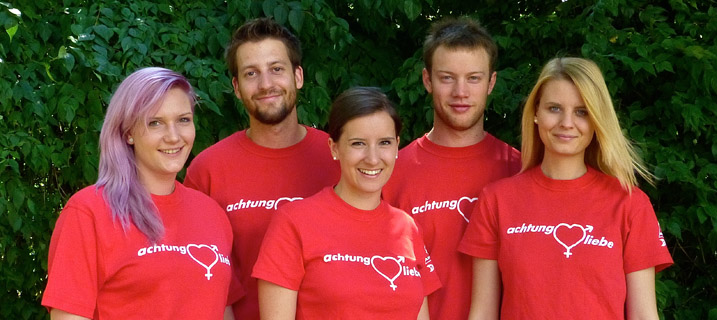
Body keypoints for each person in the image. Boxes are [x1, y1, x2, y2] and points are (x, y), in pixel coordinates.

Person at [459, 57, 674, 319]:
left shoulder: (629, 203)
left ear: (597, 120)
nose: (567, 123)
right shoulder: (497, 200)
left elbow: (643, 315)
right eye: (554, 108)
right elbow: (483, 313)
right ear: (536, 113)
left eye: (582, 111)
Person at [41, 67, 234, 319]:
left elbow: (222, 309)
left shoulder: (212, 214)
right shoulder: (89, 212)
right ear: (129, 132)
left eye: (183, 120)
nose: (173, 136)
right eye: (155, 123)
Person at [184, 18, 340, 319]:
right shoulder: (208, 171)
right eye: (251, 73)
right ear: (237, 87)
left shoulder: (339, 159)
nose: (266, 84)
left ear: (298, 76)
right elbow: (195, 276)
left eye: (276, 69)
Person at [254, 87, 441, 319]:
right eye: (358, 143)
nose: (373, 158)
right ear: (334, 148)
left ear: (397, 146)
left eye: (384, 142)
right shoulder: (294, 221)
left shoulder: (406, 227)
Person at [382, 17, 521, 320]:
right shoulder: (391, 172)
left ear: (491, 83)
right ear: (427, 80)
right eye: (447, 78)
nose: (461, 92)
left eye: (473, 78)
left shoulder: (519, 170)